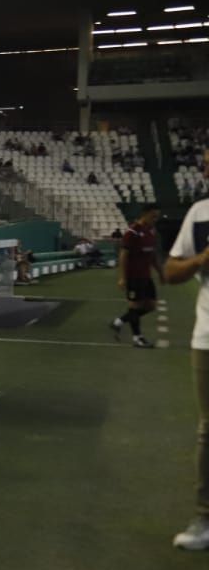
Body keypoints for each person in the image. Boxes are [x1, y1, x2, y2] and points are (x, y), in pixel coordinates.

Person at [163, 195, 209, 550]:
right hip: (208, 337)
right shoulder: (200, 213)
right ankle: (204, 517)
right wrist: (203, 259)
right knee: (208, 430)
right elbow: (172, 271)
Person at [111, 203, 163, 349]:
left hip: (146, 276)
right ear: (144, 214)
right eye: (153, 216)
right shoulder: (132, 232)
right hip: (133, 277)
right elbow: (123, 255)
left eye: (157, 217)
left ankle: (119, 321)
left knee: (151, 306)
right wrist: (122, 277)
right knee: (135, 306)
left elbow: (152, 255)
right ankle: (137, 338)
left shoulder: (151, 231)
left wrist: (160, 272)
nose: (155, 219)